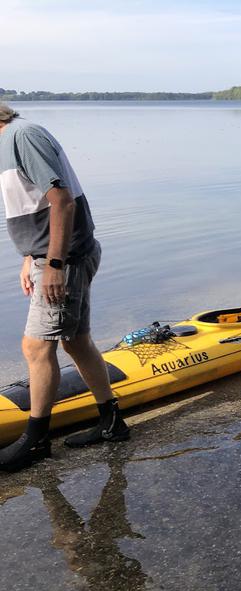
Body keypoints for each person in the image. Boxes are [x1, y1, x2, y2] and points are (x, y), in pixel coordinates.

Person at [0, 103, 128, 470]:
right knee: (75, 339)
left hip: (65, 259)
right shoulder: (10, 141)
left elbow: (62, 201)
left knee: (36, 347)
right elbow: (34, 204)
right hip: (54, 256)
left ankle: (36, 440)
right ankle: (111, 422)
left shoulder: (23, 137)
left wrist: (53, 264)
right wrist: (30, 257)